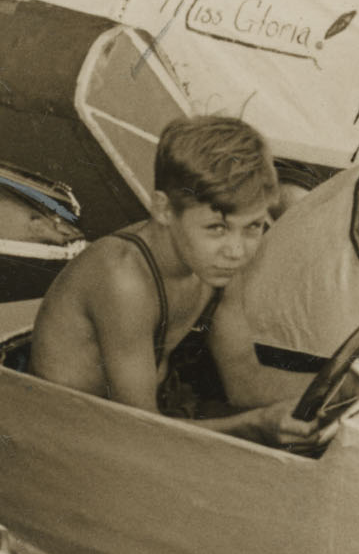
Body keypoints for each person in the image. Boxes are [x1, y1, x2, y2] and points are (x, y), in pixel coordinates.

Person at [29, 115, 314, 438]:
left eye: (253, 227)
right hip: (67, 432)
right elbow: (140, 429)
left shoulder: (217, 262)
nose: (237, 250)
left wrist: (349, 390)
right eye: (216, 228)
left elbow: (244, 380)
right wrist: (255, 425)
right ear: (163, 209)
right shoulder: (124, 280)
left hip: (139, 419)